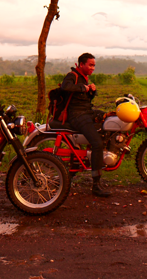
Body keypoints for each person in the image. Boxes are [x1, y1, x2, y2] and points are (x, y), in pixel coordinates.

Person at [61, 52, 111, 197]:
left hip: (86, 112)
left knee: (108, 119)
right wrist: (84, 88)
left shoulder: (84, 77)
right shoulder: (72, 75)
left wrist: (92, 91)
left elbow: (83, 99)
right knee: (97, 143)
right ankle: (96, 185)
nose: (93, 68)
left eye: (94, 65)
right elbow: (65, 87)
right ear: (81, 64)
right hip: (77, 116)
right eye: (90, 65)